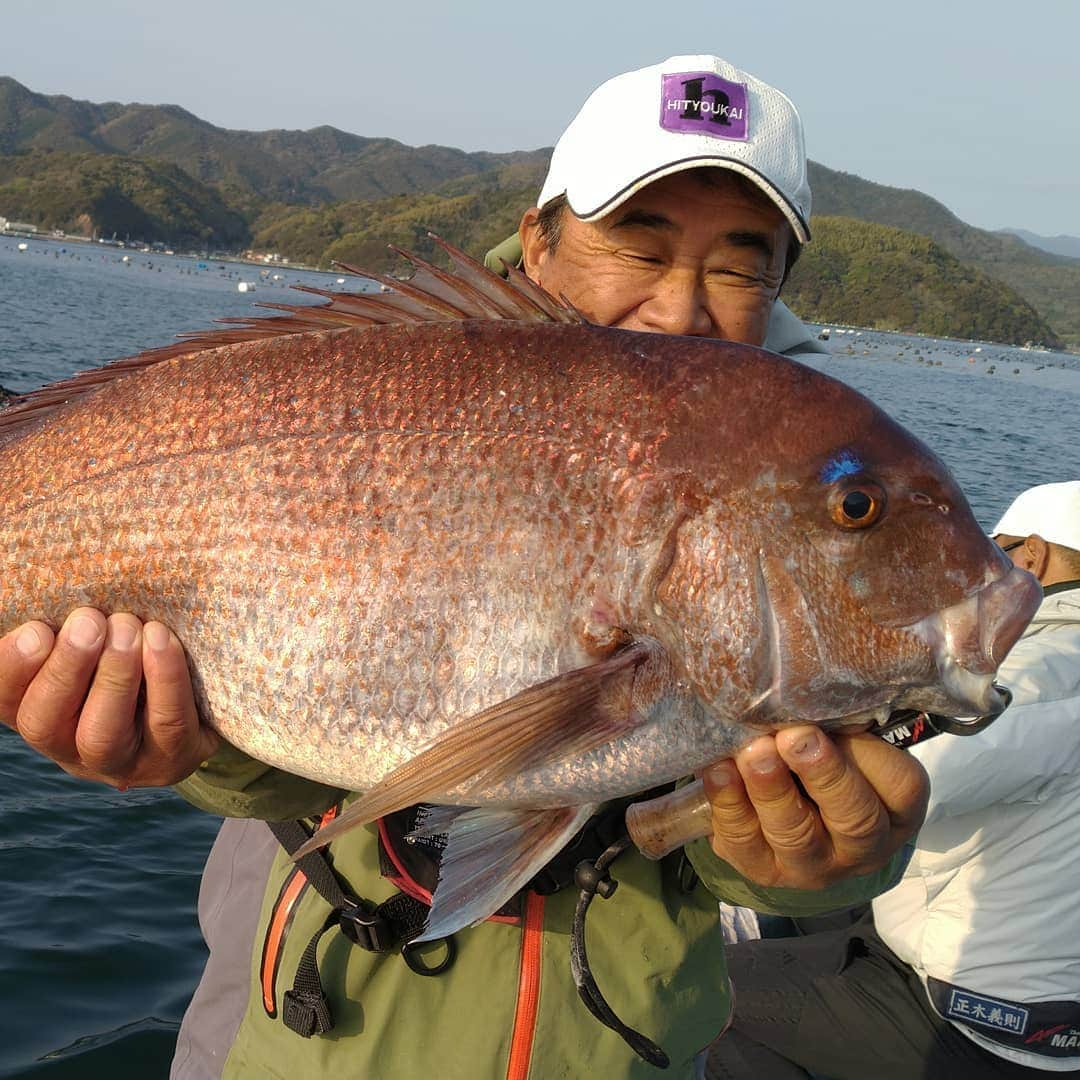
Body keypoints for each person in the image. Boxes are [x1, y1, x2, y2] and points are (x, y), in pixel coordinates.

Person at [0, 56, 930, 1078]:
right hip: (309, 1022)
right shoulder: (402, 372)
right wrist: (177, 743)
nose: (680, 308)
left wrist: (809, 864)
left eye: (740, 267)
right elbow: (279, 730)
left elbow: (727, 841)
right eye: (639, 242)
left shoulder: (785, 474)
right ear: (538, 240)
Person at [706, 480, 1080, 1079]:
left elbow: (881, 783)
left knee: (707, 998)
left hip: (975, 1014)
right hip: (1035, 989)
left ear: (1030, 557)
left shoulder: (1044, 675)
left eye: (994, 549)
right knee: (816, 905)